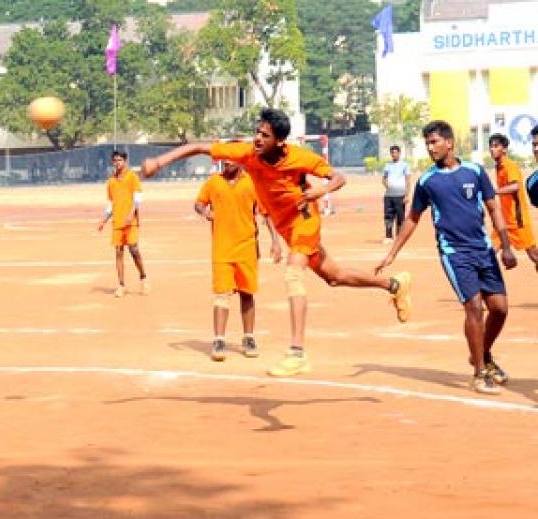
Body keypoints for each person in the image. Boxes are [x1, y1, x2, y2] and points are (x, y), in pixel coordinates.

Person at [141, 108, 412, 377]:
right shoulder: (248, 153)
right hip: (286, 227)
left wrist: (322, 189)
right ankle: (394, 285)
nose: (258, 138)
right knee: (334, 276)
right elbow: (199, 147)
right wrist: (159, 162)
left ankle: (297, 352)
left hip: (305, 221)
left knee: (293, 275)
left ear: (280, 141)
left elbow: (339, 178)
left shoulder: (300, 157)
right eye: (257, 132)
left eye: (265, 135)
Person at [377, 121, 517, 395]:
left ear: (449, 143)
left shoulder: (475, 172)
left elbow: (493, 208)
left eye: (434, 142)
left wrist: (507, 245)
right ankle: (479, 373)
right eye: (427, 143)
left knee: (499, 308)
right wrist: (391, 253)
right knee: (474, 308)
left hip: (484, 249)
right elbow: (412, 219)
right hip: (454, 252)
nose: (430, 148)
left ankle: (482, 354)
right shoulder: (428, 181)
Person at [194, 161, 282, 361]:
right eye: (224, 159)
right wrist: (205, 212)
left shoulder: (252, 183)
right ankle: (218, 340)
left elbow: (266, 213)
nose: (227, 162)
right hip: (222, 249)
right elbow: (199, 203)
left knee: (247, 294)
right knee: (221, 295)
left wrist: (276, 241)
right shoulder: (213, 182)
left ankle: (249, 338)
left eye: (231, 159)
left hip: (246, 248)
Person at [95, 150, 148, 297]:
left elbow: (137, 198)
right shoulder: (111, 181)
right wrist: (103, 220)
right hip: (117, 222)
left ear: (125, 161)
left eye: (120, 160)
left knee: (134, 250)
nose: (117, 163)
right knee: (118, 252)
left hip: (131, 222)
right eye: (115, 160)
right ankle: (121, 285)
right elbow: (111, 204)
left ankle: (143, 277)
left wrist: (132, 213)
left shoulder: (132, 177)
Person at [487, 133, 538, 270]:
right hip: (504, 221)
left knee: (533, 254)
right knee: (488, 252)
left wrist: (494, 191)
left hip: (518, 220)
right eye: (491, 147)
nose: (492, 149)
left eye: (496, 146)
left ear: (504, 149)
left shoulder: (510, 166)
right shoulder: (498, 166)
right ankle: (482, 287)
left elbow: (515, 186)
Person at [381, 145, 412, 245]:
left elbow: (408, 180)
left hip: (400, 195)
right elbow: (383, 179)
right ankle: (388, 236)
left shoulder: (405, 165)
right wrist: (388, 187)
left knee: (400, 216)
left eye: (396, 153)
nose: (394, 154)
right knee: (388, 216)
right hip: (389, 195)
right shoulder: (388, 165)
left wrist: (407, 194)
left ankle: (399, 237)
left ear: (399, 153)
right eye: (392, 153)